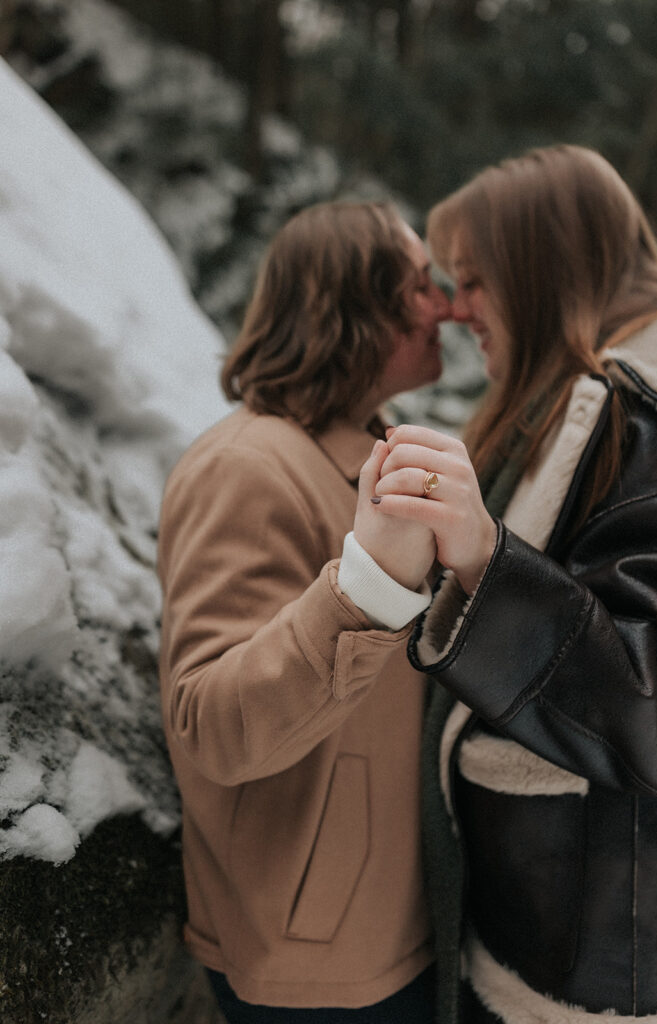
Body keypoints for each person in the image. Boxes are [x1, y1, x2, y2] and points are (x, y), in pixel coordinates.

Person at [340, 145, 657, 1022]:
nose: (452, 311)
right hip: (550, 934)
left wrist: (485, 560)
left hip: (595, 974)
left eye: (472, 280)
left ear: (544, 270)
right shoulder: (589, 393)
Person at [156, 200, 452, 1023]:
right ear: (351, 299)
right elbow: (210, 722)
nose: (447, 305)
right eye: (420, 283)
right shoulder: (246, 468)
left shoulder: (374, 449)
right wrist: (365, 591)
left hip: (385, 921)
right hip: (313, 957)